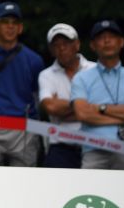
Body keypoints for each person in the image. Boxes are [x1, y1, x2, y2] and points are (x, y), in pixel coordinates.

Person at [70, 20, 124, 170]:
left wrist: (101, 108)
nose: (107, 40)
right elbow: (82, 114)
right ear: (93, 45)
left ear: (121, 42)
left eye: (112, 36)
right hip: (93, 149)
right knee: (89, 192)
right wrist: (123, 115)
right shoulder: (81, 78)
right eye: (101, 37)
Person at [0, 1, 44, 166]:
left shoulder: (34, 60)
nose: (10, 27)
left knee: (24, 183)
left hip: (23, 131)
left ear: (20, 28)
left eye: (14, 23)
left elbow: (37, 97)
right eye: (5, 22)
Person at [37, 23, 95, 168]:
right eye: (56, 45)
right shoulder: (46, 75)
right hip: (60, 147)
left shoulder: (96, 69)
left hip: (94, 145)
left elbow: (108, 107)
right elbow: (50, 107)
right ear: (51, 50)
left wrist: (64, 109)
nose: (62, 48)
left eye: (66, 43)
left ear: (77, 44)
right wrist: (85, 107)